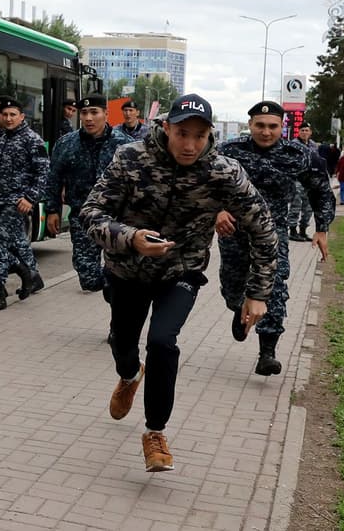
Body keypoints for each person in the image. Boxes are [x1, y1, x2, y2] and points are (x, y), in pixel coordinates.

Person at [81, 93, 277, 472]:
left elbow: (263, 229)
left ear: (210, 135)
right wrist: (131, 238)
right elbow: (91, 213)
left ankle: (155, 432)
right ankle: (129, 375)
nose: (190, 145)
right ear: (166, 127)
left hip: (180, 271)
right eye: (182, 133)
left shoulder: (224, 172)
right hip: (127, 271)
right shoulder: (130, 158)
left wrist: (257, 293)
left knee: (162, 341)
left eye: (199, 136)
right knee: (123, 342)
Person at [216, 101, 334, 375]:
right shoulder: (229, 151)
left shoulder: (297, 155)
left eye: (273, 126)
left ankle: (267, 352)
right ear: (250, 125)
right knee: (233, 286)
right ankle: (239, 307)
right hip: (234, 230)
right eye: (260, 125)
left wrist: (321, 228)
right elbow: (206, 182)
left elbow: (320, 189)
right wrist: (217, 211)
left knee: (275, 286)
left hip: (274, 233)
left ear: (282, 127)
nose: (266, 132)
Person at [45, 94, 133, 295]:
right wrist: (52, 210)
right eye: (84, 113)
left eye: (94, 112)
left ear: (106, 114)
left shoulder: (125, 145)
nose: (88, 118)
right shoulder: (66, 144)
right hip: (83, 215)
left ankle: (117, 295)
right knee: (88, 277)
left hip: (117, 216)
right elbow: (54, 178)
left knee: (122, 269)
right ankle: (108, 286)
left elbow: (137, 180)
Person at [0, 96, 49, 311]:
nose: (8, 118)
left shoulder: (32, 140)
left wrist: (30, 198)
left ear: (22, 116)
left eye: (13, 114)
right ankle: (25, 271)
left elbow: (43, 173)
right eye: (4, 114)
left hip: (15, 202)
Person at [288, 122, 323, 241]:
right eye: (302, 130)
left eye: (306, 130)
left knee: (308, 207)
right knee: (296, 205)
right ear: (298, 132)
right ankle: (293, 230)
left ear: (310, 132)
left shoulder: (313, 145)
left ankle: (303, 231)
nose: (304, 132)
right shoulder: (293, 144)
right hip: (297, 179)